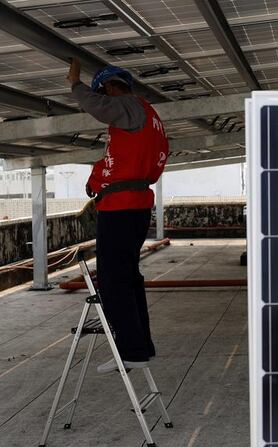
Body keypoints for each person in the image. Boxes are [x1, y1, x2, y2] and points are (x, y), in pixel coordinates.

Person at [66, 59, 169, 373]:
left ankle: (132, 350)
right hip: (134, 204)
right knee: (128, 277)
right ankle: (142, 347)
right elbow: (121, 161)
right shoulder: (148, 118)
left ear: (110, 87)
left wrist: (75, 84)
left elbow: (97, 106)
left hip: (121, 207)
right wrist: (96, 180)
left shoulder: (127, 105)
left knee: (112, 280)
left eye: (103, 93)